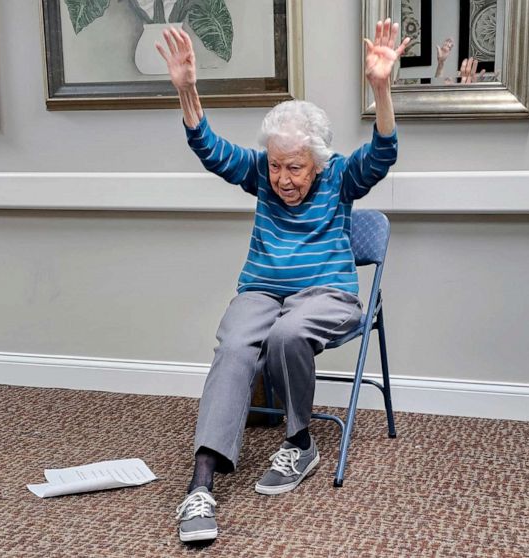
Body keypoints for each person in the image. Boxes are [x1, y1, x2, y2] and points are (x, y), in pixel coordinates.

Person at [154, 19, 410, 544]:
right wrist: (187, 91)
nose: (282, 179)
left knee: (287, 334)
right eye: (275, 166)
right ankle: (199, 484)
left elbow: (382, 154)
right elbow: (212, 151)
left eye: (294, 167)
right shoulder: (260, 176)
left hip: (327, 297)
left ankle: (300, 442)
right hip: (263, 293)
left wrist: (381, 89)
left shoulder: (341, 177)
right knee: (234, 346)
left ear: (317, 163)